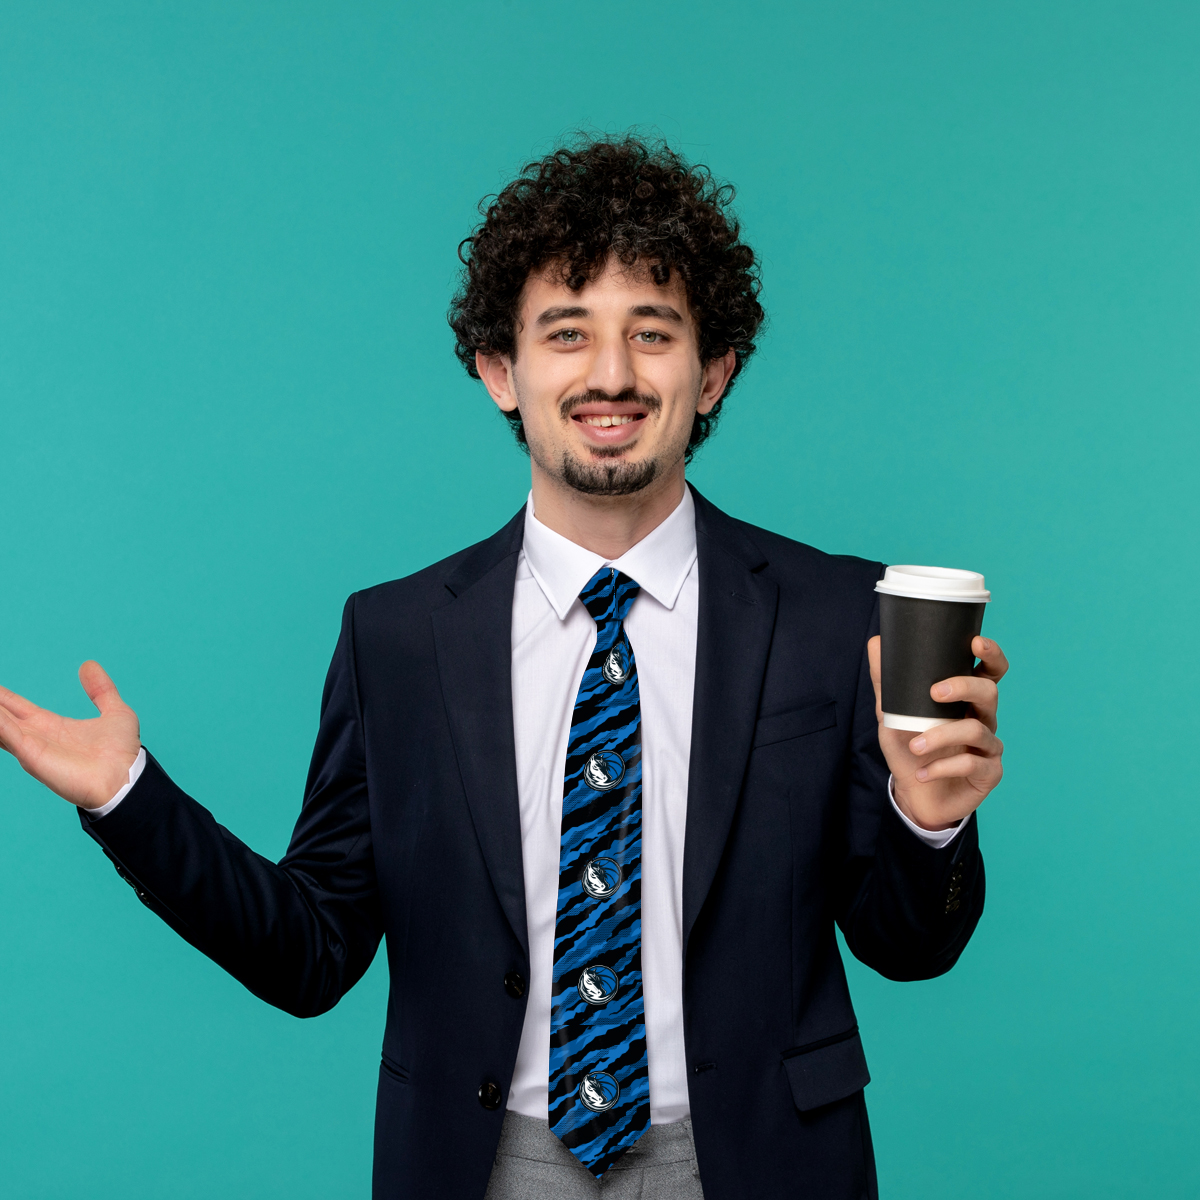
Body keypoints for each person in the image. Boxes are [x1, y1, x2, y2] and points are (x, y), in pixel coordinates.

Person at [0, 135, 1007, 1200]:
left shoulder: (836, 614)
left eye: (652, 335)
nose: (610, 376)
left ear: (713, 372)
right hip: (485, 1166)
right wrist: (128, 796)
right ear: (500, 371)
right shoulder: (396, 638)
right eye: (565, 335)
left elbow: (909, 946)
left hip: (759, 1159)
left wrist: (930, 818)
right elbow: (312, 953)